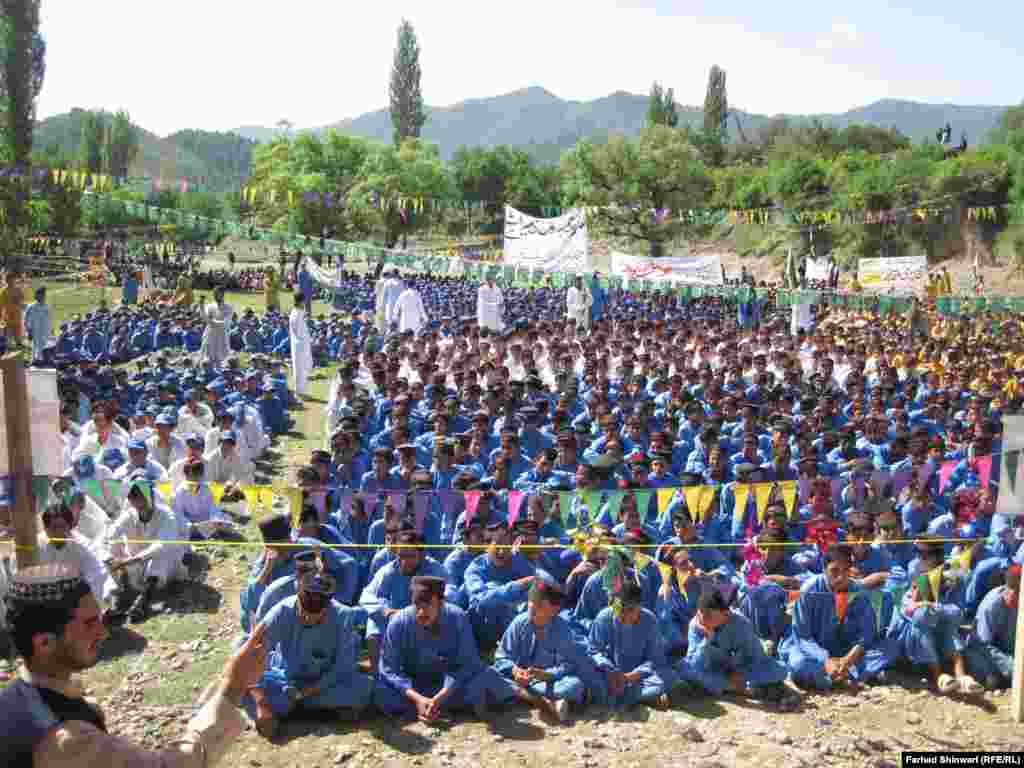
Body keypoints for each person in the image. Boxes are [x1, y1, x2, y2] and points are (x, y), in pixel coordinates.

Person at [0, 561, 268, 767]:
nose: (102, 633)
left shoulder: (13, 700)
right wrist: (233, 687)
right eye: (89, 623)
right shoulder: (65, 740)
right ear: (44, 643)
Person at [247, 564, 373, 739]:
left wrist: (306, 692)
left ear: (327, 607)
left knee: (363, 688)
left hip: (324, 683)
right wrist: (261, 704)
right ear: (298, 600)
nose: (308, 620)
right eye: (304, 615)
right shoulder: (282, 611)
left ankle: (294, 709)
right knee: (247, 690)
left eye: (316, 618)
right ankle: (317, 710)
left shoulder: (344, 616)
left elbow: (342, 667)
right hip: (286, 678)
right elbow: (255, 654)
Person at [374, 575, 503, 721]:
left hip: (449, 686)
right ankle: (430, 707)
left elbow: (468, 663)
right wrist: (418, 698)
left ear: (441, 604)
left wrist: (440, 697)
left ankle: (431, 707)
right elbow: (389, 669)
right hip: (413, 687)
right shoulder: (399, 622)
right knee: (381, 691)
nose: (421, 612)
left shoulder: (457, 617)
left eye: (427, 605)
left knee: (486, 677)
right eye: (417, 605)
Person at [492, 576, 598, 720]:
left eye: (540, 606)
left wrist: (545, 674)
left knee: (574, 685)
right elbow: (502, 656)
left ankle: (528, 697)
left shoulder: (562, 630)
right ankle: (545, 701)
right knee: (491, 676)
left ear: (554, 610)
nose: (533, 608)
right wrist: (515, 670)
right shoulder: (519, 622)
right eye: (531, 603)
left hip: (549, 681)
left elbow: (567, 665)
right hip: (521, 678)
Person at [101, 477, 187, 624]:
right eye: (133, 495)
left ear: (151, 495)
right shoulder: (128, 515)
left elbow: (162, 544)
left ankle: (142, 602)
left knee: (161, 554)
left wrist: (135, 559)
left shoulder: (166, 515)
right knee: (110, 551)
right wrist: (111, 559)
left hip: (162, 570)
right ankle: (115, 601)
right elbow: (108, 537)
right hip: (135, 566)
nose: (137, 499)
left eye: (140, 494)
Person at [679, 587, 790, 701]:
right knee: (686, 669)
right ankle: (738, 689)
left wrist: (734, 670)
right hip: (713, 670)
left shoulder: (741, 623)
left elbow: (756, 656)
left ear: (726, 614)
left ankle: (734, 687)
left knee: (778, 672)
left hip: (740, 669)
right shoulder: (696, 625)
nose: (702, 618)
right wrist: (706, 640)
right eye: (700, 613)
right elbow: (695, 663)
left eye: (708, 615)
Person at [588, 580, 678, 709]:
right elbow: (593, 651)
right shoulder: (603, 618)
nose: (623, 615)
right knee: (586, 674)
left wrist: (631, 677)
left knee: (670, 676)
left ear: (639, 606)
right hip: (609, 676)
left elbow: (655, 658)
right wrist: (610, 671)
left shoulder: (649, 620)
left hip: (638, 678)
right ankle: (646, 697)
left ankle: (627, 696)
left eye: (629, 610)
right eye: (618, 609)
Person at [289, 291, 314, 397]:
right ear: (301, 301)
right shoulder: (295, 314)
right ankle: (299, 391)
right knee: (299, 368)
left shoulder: (299, 311)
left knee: (305, 367)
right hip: (299, 344)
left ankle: (302, 390)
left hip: (303, 343)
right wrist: (304, 340)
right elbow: (298, 332)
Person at [203, 286, 233, 367]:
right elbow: (205, 319)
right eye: (214, 294)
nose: (215, 296)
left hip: (222, 334)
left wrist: (211, 321)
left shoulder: (228, 307)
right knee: (209, 354)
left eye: (218, 294)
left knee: (222, 356)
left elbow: (225, 323)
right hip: (210, 333)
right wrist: (201, 306)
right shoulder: (210, 306)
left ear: (223, 295)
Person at [23, 286, 52, 364]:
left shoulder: (47, 307)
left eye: (43, 294)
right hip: (34, 330)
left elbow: (49, 320)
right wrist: (28, 330)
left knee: (43, 345)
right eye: (41, 294)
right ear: (36, 295)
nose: (43, 296)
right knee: (34, 346)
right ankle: (33, 361)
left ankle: (41, 360)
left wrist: (50, 330)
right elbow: (25, 319)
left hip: (44, 331)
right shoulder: (31, 307)